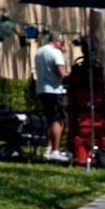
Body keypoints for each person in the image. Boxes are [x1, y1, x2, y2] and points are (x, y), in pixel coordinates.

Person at [34, 32, 70, 162]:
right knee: (57, 120)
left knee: (49, 119)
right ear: (57, 41)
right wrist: (69, 76)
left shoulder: (39, 52)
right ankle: (56, 150)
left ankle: (48, 149)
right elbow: (61, 73)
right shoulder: (55, 52)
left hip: (42, 89)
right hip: (55, 90)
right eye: (62, 44)